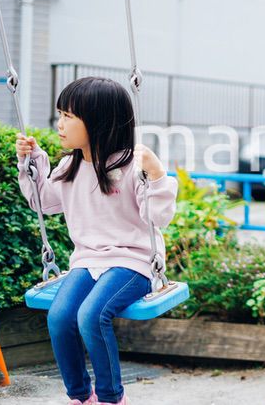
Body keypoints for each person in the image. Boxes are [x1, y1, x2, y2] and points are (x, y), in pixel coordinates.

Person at [16, 77, 177, 404]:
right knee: (60, 317)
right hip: (88, 262)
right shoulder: (68, 167)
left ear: (100, 122)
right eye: (59, 115)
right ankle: (80, 396)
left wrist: (157, 174)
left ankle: (110, 397)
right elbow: (44, 203)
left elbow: (157, 218)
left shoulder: (132, 165)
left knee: (91, 315)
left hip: (132, 262)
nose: (59, 124)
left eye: (68, 117)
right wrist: (32, 162)